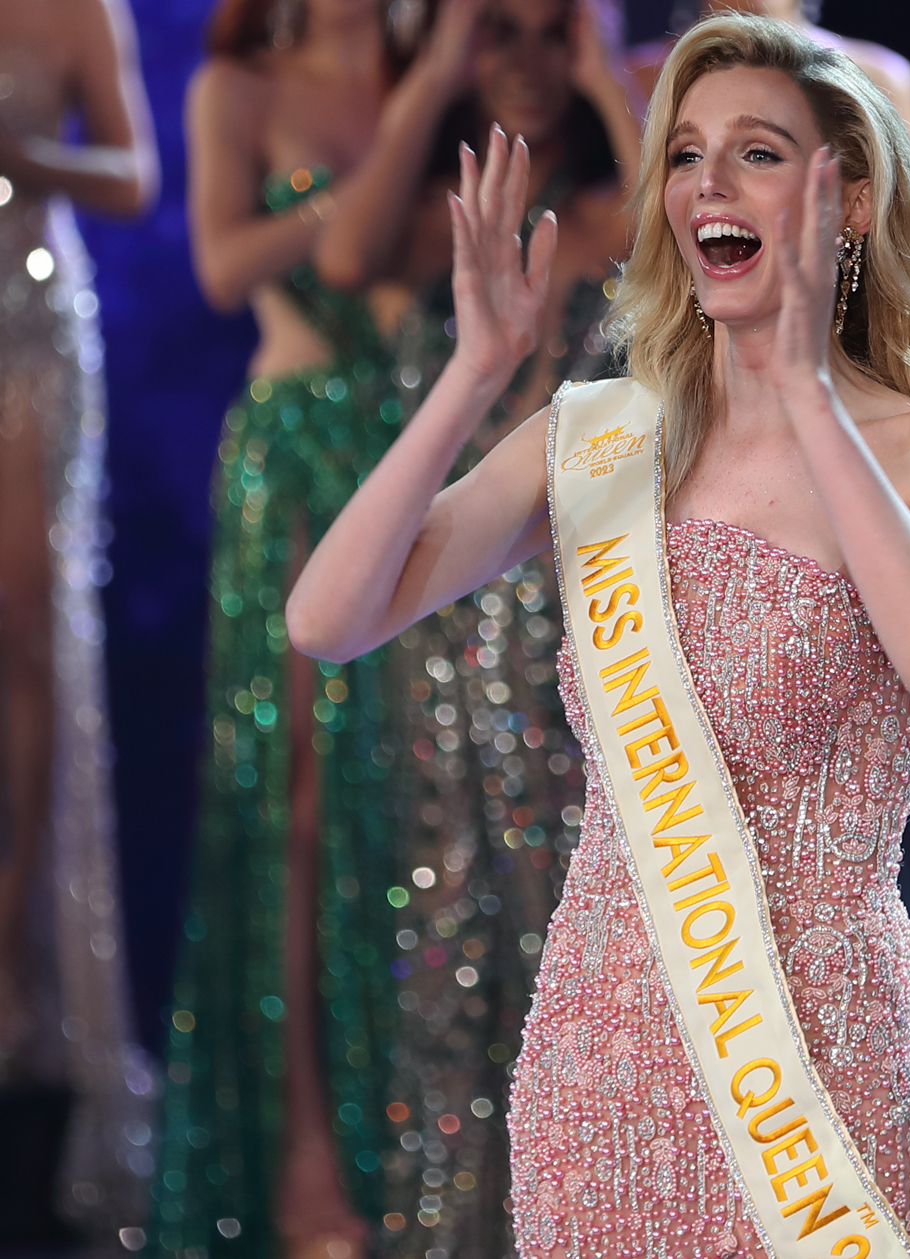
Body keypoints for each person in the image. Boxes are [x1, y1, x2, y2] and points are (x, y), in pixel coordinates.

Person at [284, 12, 910, 1258]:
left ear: (845, 198)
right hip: (600, 1062)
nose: (707, 185)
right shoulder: (607, 436)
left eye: (756, 153)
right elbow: (328, 617)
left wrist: (803, 392)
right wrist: (475, 373)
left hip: (811, 1068)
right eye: (684, 155)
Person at [157, 1, 491, 1255]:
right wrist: (348, 182)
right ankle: (303, 1156)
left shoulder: (440, 70)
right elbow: (222, 263)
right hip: (296, 453)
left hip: (411, 442)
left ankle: (429, 1155)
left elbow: (415, 263)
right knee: (293, 807)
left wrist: (437, 82)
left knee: (428, 795)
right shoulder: (238, 83)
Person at [303, 0, 638, 1246]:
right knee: (447, 933)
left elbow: (712, 243)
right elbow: (338, 262)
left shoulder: (625, 219)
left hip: (583, 637)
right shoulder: (432, 224)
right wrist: (437, 64)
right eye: (502, 31)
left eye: (559, 33)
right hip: (440, 630)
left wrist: (615, 86)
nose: (530, 63)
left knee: (576, 939)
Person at [0, 0, 157, 1241]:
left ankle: (16, 957)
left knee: (30, 640)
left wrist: (26, 156)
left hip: (29, 325)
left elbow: (133, 173)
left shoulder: (74, 11)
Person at [626, 1, 910, 227]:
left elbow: (905, 259)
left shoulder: (881, 79)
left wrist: (904, 218)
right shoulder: (637, 79)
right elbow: (626, 228)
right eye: (687, 156)